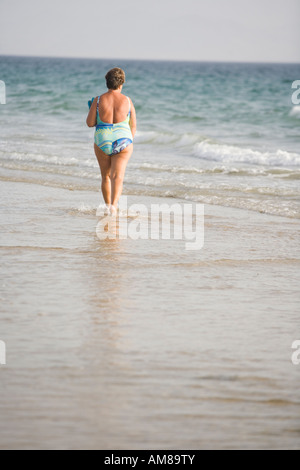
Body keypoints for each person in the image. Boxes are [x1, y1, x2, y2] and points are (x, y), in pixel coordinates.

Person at [86, 68, 137, 215]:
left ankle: (107, 206)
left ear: (107, 82)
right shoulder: (127, 101)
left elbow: (90, 123)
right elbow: (133, 125)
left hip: (103, 139)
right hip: (123, 139)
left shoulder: (98, 100)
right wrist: (128, 141)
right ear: (121, 84)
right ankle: (114, 206)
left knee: (106, 176)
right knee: (118, 176)